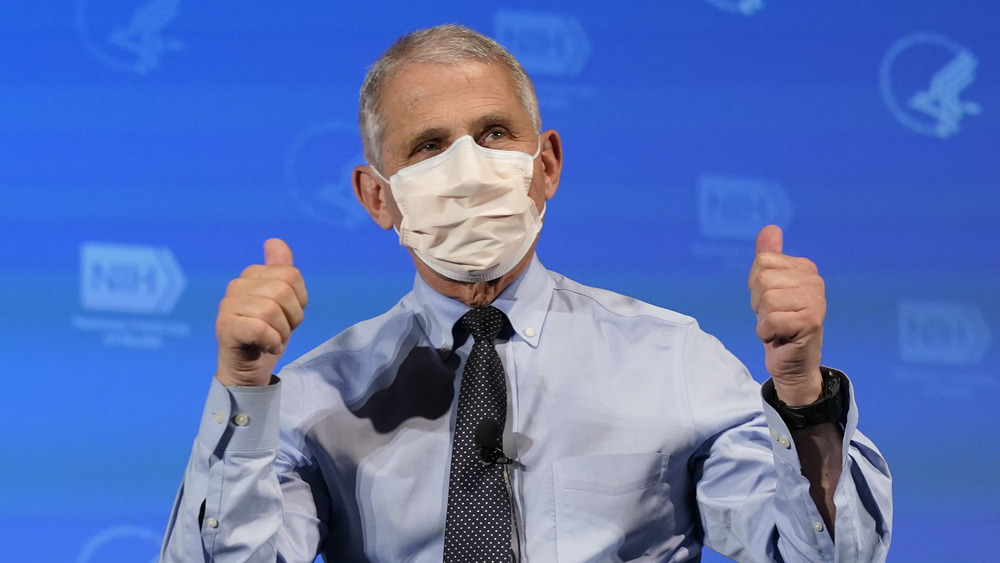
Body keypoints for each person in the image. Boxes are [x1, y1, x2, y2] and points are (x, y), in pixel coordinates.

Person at [160, 24, 891, 562]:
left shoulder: (675, 360)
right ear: (376, 197)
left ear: (546, 165)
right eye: (428, 147)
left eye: (494, 133)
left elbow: (826, 558)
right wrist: (244, 391)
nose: (468, 168)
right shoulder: (320, 395)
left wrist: (801, 397)